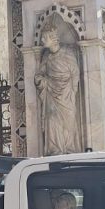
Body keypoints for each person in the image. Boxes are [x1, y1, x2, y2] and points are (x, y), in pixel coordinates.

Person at [35, 25, 82, 156]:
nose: (42, 41)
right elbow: (41, 73)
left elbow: (75, 73)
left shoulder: (67, 52)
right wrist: (41, 81)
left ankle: (69, 150)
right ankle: (55, 150)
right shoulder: (46, 57)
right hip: (51, 93)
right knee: (52, 119)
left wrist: (72, 91)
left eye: (44, 38)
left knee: (69, 124)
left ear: (53, 38)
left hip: (67, 95)